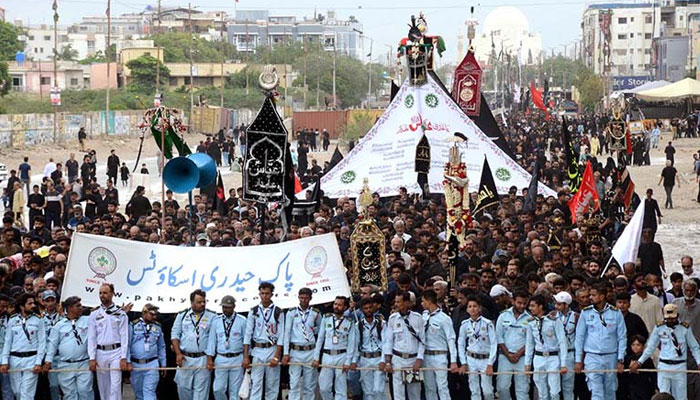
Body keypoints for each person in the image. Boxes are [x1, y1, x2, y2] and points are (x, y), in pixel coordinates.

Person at [632, 303, 700, 400]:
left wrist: (699, 362)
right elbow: (650, 347)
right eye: (667, 318)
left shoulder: (684, 328)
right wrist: (639, 362)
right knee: (663, 395)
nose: (670, 321)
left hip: (679, 367)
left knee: (680, 396)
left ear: (677, 316)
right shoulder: (659, 328)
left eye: (672, 318)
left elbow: (694, 347)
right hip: (664, 366)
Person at [575, 283, 627, 400]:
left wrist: (620, 359)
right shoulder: (586, 312)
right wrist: (578, 360)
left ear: (602, 296)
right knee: (596, 392)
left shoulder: (615, 312)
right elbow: (580, 338)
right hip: (592, 357)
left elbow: (622, 337)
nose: (590, 298)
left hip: (611, 356)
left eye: (593, 295)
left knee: (610, 391)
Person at [43, 296, 93, 400]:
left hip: (83, 363)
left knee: (85, 391)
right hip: (65, 364)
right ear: (70, 308)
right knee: (70, 395)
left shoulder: (88, 320)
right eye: (78, 306)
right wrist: (48, 362)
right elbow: (52, 345)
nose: (81, 307)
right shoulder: (59, 325)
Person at [171, 289, 216, 400]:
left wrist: (210, 358)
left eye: (204, 301)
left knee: (201, 394)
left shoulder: (212, 316)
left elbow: (212, 340)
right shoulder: (182, 315)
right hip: (185, 359)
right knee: (183, 390)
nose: (203, 304)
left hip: (202, 359)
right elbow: (175, 335)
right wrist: (178, 354)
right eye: (199, 302)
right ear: (192, 303)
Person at [243, 282, 284, 400]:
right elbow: (247, 334)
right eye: (262, 293)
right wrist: (246, 356)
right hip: (257, 350)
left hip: (272, 349)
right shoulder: (254, 311)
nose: (264, 296)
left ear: (272, 294)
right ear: (259, 294)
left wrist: (277, 356)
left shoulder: (278, 312)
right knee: (256, 383)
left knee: (272, 385)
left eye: (267, 293)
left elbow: (281, 336)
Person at [0, 293, 45, 400]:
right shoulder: (12, 320)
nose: (33, 305)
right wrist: (4, 361)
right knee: (17, 392)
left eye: (33, 303)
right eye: (29, 303)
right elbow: (7, 342)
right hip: (14, 360)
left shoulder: (38, 320)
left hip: (31, 359)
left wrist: (38, 362)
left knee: (27, 394)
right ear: (22, 306)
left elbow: (42, 342)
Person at [87, 284, 128, 400]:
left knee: (115, 386)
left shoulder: (121, 313)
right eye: (100, 293)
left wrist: (124, 357)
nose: (102, 295)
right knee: (103, 386)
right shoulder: (94, 314)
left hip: (116, 352)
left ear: (112, 294)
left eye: (105, 293)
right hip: (100, 353)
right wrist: (92, 358)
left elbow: (124, 336)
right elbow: (91, 337)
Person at [312, 296, 357, 400]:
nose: (336, 307)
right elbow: (320, 339)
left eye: (339, 305)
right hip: (327, 356)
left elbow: (351, 344)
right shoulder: (326, 318)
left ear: (345, 307)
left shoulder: (349, 322)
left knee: (340, 388)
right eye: (335, 304)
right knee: (324, 388)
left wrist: (348, 361)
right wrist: (316, 357)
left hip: (341, 356)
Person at [524, 294, 568, 400]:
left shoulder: (553, 320)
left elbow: (562, 342)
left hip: (553, 357)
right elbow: (529, 344)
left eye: (533, 306)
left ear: (540, 306)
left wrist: (563, 363)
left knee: (554, 392)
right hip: (538, 357)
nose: (530, 308)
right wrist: (527, 363)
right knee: (542, 393)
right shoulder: (531, 322)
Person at [383, 291, 425, 400]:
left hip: (413, 359)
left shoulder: (417, 318)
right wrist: (388, 361)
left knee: (415, 393)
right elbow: (388, 341)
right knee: (398, 394)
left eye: (399, 302)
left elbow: (422, 341)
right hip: (398, 359)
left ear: (407, 303)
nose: (396, 304)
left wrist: (419, 359)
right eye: (395, 302)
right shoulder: (393, 318)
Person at [282, 287, 321, 400]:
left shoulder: (315, 313)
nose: (304, 300)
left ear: (310, 298)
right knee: (294, 383)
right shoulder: (291, 312)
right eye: (302, 298)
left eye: (306, 298)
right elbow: (287, 333)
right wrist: (285, 353)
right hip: (295, 351)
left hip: (310, 351)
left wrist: (314, 330)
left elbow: (321, 330)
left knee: (309, 385)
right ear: (298, 297)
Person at [420, 289, 458, 400]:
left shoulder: (444, 318)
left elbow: (451, 339)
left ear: (429, 301)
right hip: (426, 355)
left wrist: (453, 361)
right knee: (429, 387)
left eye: (423, 301)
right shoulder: (424, 316)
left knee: (442, 386)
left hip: (440, 355)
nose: (422, 304)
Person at [207, 295, 246, 400]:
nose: (225, 309)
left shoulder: (242, 320)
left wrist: (247, 357)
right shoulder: (216, 321)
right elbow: (211, 341)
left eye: (228, 307)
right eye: (224, 307)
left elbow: (246, 341)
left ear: (234, 306)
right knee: (218, 389)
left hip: (237, 358)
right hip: (221, 358)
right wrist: (210, 358)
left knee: (236, 391)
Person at [458, 295, 497, 400]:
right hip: (471, 358)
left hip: (485, 358)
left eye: (475, 306)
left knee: (487, 391)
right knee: (474, 390)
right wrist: (463, 362)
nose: (472, 309)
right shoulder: (465, 324)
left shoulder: (488, 324)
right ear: (467, 309)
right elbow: (461, 343)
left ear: (479, 308)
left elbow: (494, 344)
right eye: (470, 306)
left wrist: (490, 364)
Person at [495, 291, 531, 400]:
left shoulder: (529, 318)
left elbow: (530, 341)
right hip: (505, 356)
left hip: (522, 357)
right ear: (513, 301)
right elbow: (499, 337)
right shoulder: (503, 315)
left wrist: (518, 354)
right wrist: (508, 354)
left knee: (523, 389)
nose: (522, 306)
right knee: (502, 387)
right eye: (519, 303)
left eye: (524, 303)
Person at [127, 304, 166, 400]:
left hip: (152, 363)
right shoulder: (133, 325)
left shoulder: (157, 327)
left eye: (155, 314)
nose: (154, 317)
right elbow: (127, 345)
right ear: (144, 313)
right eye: (152, 314)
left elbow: (161, 347)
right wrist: (128, 362)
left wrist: (163, 364)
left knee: (149, 391)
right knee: (138, 393)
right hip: (136, 364)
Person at [353, 298, 385, 400]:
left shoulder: (382, 323)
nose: (368, 310)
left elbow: (386, 343)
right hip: (365, 359)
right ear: (362, 310)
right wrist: (354, 361)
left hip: (378, 357)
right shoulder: (358, 326)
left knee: (378, 390)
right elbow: (356, 345)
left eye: (370, 307)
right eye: (365, 308)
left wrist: (384, 360)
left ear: (374, 308)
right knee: (368, 392)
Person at [553, 291, 578, 400]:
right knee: (554, 386)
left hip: (569, 353)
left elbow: (579, 337)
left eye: (559, 304)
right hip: (555, 354)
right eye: (556, 303)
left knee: (568, 386)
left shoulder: (576, 316)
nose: (556, 306)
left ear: (566, 305)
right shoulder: (552, 316)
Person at [40, 290, 63, 400]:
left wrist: (63, 314)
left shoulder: (63, 317)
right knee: (53, 385)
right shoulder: (39, 318)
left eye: (52, 300)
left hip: (62, 356)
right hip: (49, 357)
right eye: (47, 301)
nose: (50, 303)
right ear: (43, 302)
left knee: (66, 385)